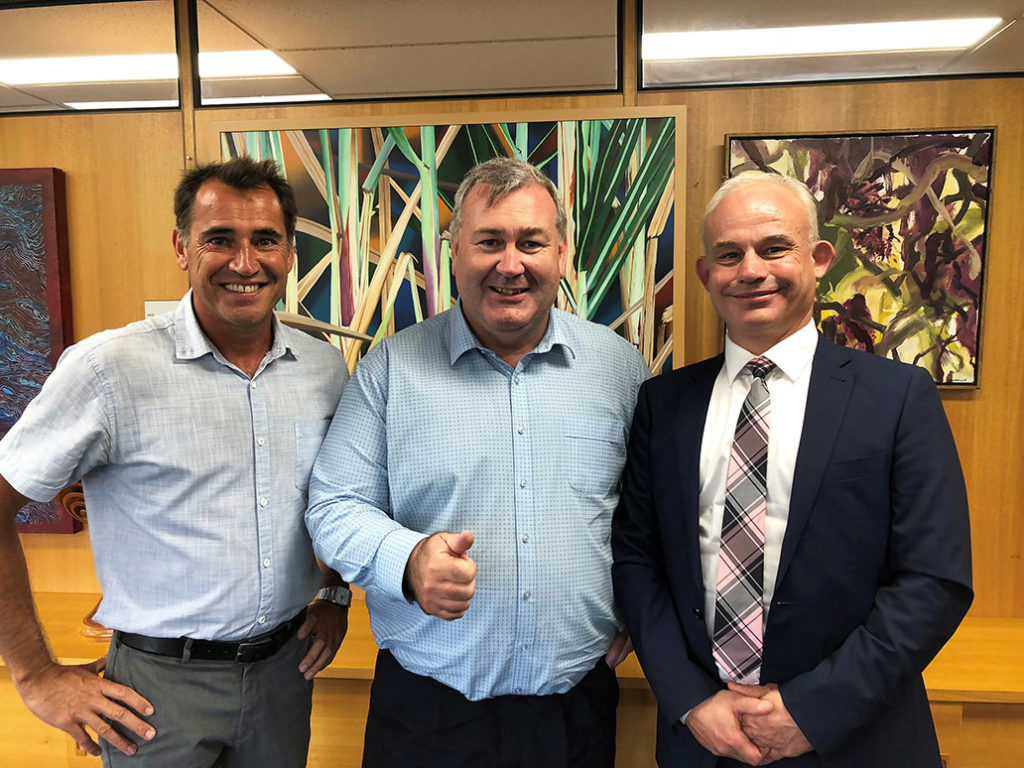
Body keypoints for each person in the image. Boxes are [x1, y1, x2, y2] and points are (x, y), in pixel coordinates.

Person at [612, 171, 973, 767]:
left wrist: (812, 710)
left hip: (854, 738)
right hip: (702, 740)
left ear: (819, 258)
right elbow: (636, 559)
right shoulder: (664, 403)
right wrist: (689, 698)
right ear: (706, 275)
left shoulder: (898, 397)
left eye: (774, 247)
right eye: (728, 255)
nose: (751, 270)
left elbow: (934, 580)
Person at [0, 157, 352, 767]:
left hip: (283, 675)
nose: (245, 263)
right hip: (155, 691)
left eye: (265, 240)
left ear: (289, 252)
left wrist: (334, 594)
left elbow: (337, 496)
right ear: (182, 247)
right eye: (220, 239)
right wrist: (34, 675)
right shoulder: (108, 370)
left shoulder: (323, 369)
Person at [306, 156, 650, 767]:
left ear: (562, 254)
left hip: (575, 711)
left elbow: (648, 511)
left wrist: (634, 602)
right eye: (489, 241)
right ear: (454, 250)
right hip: (427, 713)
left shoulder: (619, 369)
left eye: (531, 242)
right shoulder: (391, 370)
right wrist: (407, 560)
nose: (510, 265)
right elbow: (334, 506)